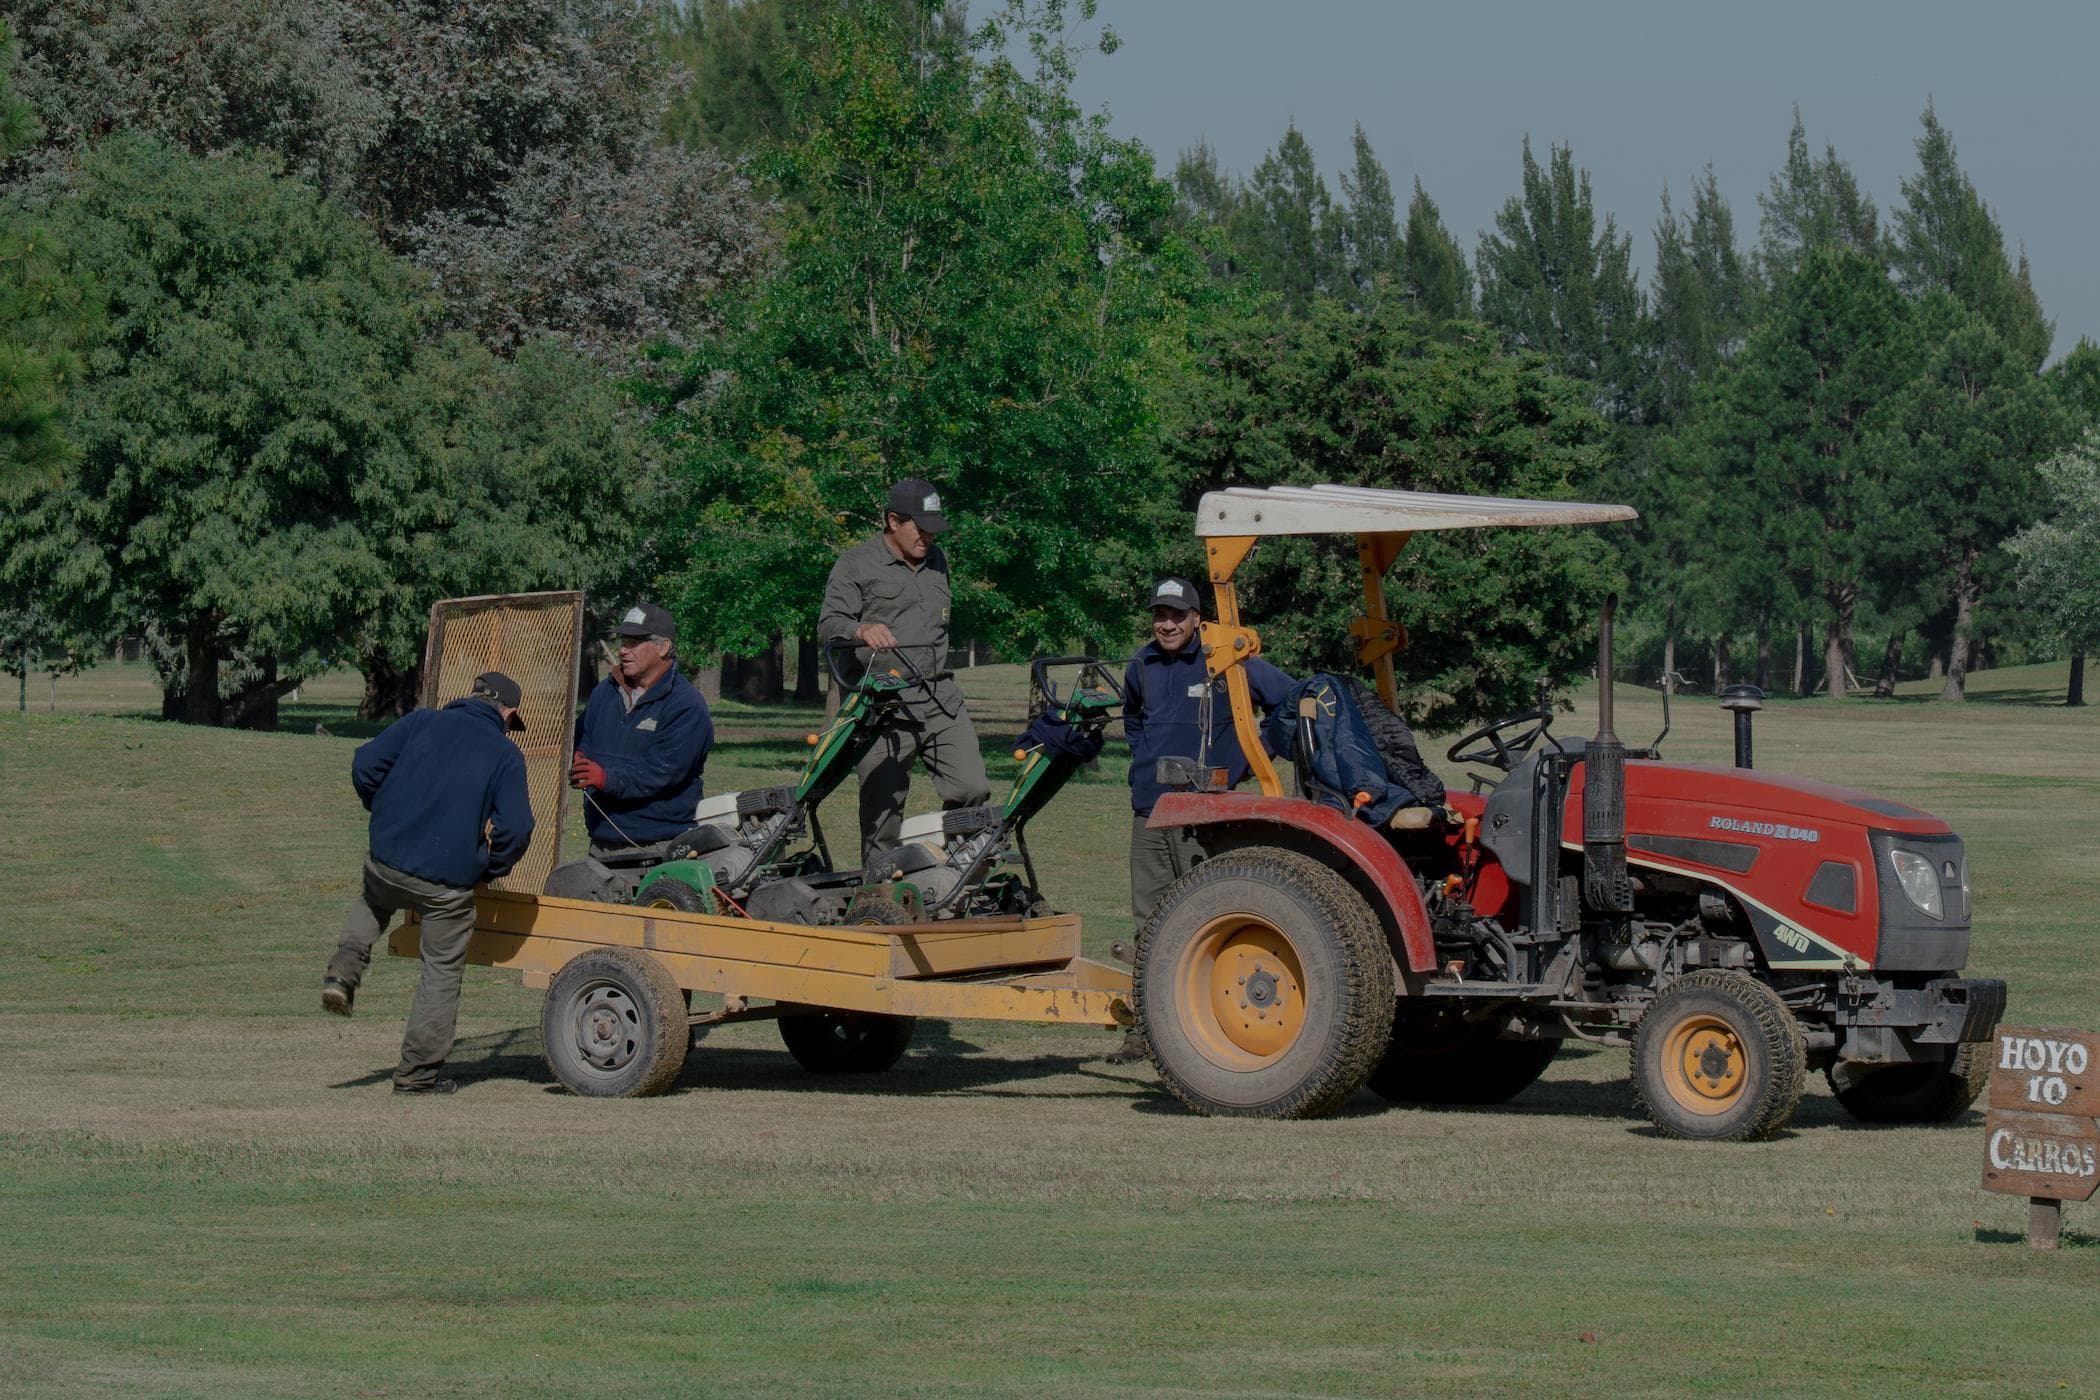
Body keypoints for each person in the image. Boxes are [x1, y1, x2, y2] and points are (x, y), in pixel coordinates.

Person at [322, 672, 535, 1095]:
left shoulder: (421, 722)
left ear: (471, 697)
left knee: (373, 900)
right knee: (440, 971)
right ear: (508, 713)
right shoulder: (506, 754)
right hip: (446, 886)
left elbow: (365, 763)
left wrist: (383, 810)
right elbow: (517, 828)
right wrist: (490, 870)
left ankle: (342, 972)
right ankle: (416, 1076)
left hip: (388, 858)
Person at [1111, 576, 1294, 1063]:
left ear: (1197, 619)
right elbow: (1133, 719)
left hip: (1206, 814)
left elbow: (1291, 702)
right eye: (1160, 615)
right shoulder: (1141, 665)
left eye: (1177, 615)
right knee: (1150, 923)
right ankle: (1145, 1033)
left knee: (1207, 920)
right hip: (1150, 812)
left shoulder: (1228, 660)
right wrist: (1144, 758)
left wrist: (1248, 759)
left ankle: (1204, 1032)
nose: (1168, 625)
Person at [819, 478, 990, 864]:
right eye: (921, 527)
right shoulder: (855, 564)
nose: (929, 537)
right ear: (893, 521)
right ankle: (878, 893)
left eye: (934, 528)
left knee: (971, 788)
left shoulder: (937, 560)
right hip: (883, 706)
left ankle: (953, 877)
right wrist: (861, 629)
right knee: (882, 816)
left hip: (938, 698)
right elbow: (829, 625)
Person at [570, 602, 715, 856]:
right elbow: (583, 739)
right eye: (623, 641)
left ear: (663, 647)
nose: (623, 650)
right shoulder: (605, 692)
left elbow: (662, 771)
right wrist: (579, 756)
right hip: (601, 841)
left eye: (634, 642)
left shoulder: (686, 704)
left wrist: (605, 778)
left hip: (660, 846)